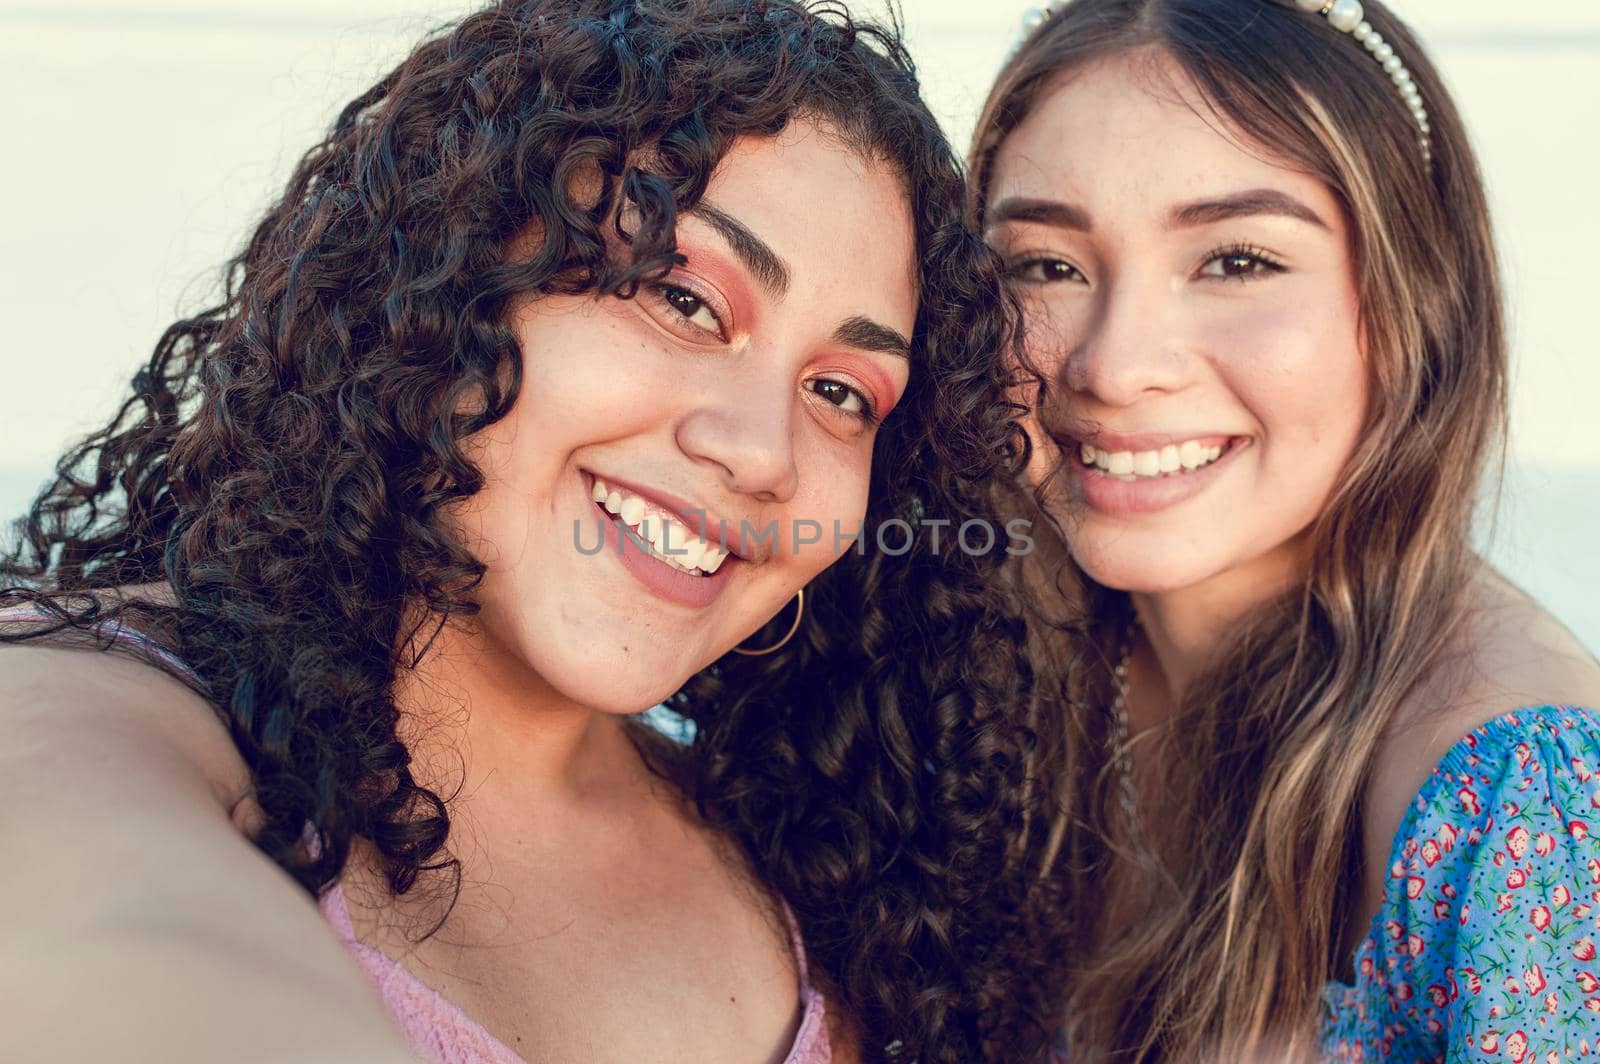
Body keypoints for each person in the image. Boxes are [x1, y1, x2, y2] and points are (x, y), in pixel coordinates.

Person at [0, 2, 1066, 1061]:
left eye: (841, 389)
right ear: (450, 271)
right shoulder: (83, 704)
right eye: (684, 300)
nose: (762, 453)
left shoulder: (825, 877)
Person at [969, 0, 1600, 1059]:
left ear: (1412, 299)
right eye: (1047, 264)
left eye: (1236, 261)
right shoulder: (986, 652)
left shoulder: (1516, 803)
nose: (1114, 367)